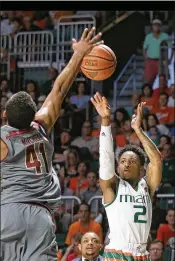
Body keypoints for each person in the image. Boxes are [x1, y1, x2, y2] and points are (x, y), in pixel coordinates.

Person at [0, 27, 103, 261]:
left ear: (5, 115)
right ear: (33, 114)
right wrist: (78, 54)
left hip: (9, 211)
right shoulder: (41, 126)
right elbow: (59, 88)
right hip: (41, 217)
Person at [90, 92, 162, 261]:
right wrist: (106, 122)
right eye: (122, 161)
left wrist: (138, 129)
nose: (126, 164)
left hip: (142, 255)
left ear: (141, 168)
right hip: (117, 253)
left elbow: (157, 160)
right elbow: (106, 158)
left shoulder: (147, 187)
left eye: (132, 161)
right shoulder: (113, 186)